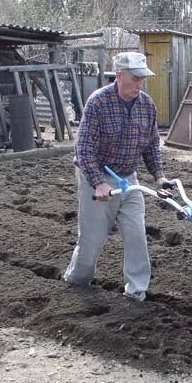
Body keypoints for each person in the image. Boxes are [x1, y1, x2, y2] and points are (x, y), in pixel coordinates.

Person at [63, 51, 168, 301]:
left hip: (128, 179)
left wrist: (159, 177)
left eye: (143, 79)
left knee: (136, 235)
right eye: (135, 78)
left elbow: (151, 145)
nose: (140, 84)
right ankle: (77, 280)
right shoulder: (98, 102)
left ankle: (137, 291)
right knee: (92, 240)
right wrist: (98, 183)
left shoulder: (146, 105)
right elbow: (84, 147)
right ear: (119, 76)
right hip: (97, 176)